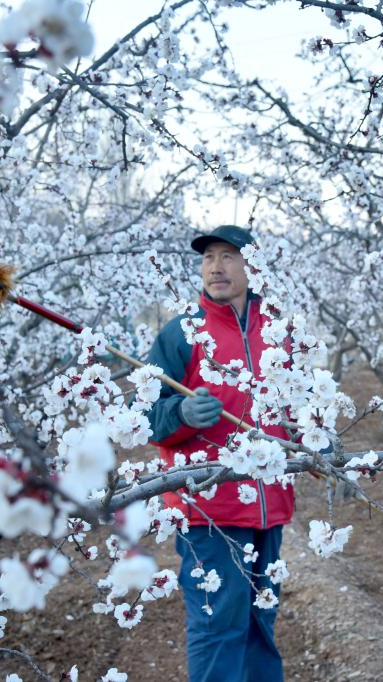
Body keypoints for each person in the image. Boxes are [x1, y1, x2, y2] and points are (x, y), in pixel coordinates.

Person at [145, 225, 293, 682]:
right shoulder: (183, 334)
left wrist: (314, 439)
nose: (215, 266)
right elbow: (145, 416)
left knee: (258, 621)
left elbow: (300, 409)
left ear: (254, 267)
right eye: (208, 257)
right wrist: (183, 413)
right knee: (217, 624)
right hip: (209, 505)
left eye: (228, 256)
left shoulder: (282, 332)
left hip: (271, 504)